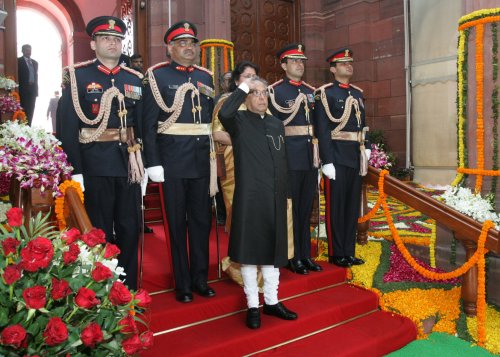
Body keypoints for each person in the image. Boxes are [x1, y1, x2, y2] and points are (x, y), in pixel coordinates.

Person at [58, 16, 145, 290]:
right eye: (106, 38)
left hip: (129, 163)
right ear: (93, 43)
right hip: (95, 163)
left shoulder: (135, 79)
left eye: (117, 39)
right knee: (99, 229)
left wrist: (146, 165)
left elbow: (142, 125)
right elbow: (68, 127)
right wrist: (76, 169)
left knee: (131, 228)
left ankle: (127, 287)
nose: (112, 43)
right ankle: (100, 287)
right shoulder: (78, 76)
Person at [143, 20, 216, 303]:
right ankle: (182, 283)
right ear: (170, 48)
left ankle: (200, 279)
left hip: (201, 160)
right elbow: (149, 123)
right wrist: (153, 162)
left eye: (192, 43)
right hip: (171, 160)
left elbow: (208, 118)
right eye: (182, 43)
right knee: (175, 224)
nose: (189, 48)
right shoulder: (156, 76)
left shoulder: (206, 76)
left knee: (201, 223)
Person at [219, 76, 298, 329]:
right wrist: (244, 86)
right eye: (255, 93)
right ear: (246, 98)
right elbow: (226, 111)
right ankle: (253, 304)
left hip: (275, 197)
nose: (261, 97)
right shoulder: (238, 121)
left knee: (273, 253)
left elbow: (281, 160)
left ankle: (272, 301)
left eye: (264, 92)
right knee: (250, 254)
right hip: (250, 197)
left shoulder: (276, 123)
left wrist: (285, 192)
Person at [268, 44, 322, 275]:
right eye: (294, 61)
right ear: (283, 65)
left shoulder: (312, 91)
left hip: (310, 157)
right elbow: (271, 128)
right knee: (290, 209)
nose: (299, 64)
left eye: (302, 61)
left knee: (305, 208)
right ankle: (291, 256)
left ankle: (304, 254)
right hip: (289, 157)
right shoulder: (275, 91)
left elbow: (319, 126)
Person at [315, 48, 371, 268]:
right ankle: (336, 252)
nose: (349, 65)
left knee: (351, 206)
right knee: (336, 207)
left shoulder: (357, 93)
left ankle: (349, 250)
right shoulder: (325, 93)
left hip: (354, 157)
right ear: (333, 69)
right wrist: (326, 161)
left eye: (350, 62)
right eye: (343, 63)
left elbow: (363, 124)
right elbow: (322, 128)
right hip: (336, 157)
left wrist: (366, 147)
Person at [212, 61, 259, 233]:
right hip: (233, 161)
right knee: (236, 208)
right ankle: (237, 257)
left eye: (254, 77)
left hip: (258, 162)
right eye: (247, 77)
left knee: (257, 208)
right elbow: (217, 134)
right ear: (237, 81)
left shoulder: (260, 100)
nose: (252, 80)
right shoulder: (226, 101)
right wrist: (247, 141)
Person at [17, 44, 38, 126]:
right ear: (22, 51)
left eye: (30, 50)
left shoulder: (35, 63)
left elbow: (36, 76)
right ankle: (23, 127)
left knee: (31, 110)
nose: (28, 52)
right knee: (23, 109)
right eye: (26, 50)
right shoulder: (18, 61)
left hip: (33, 90)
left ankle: (29, 126)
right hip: (23, 90)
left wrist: (36, 91)